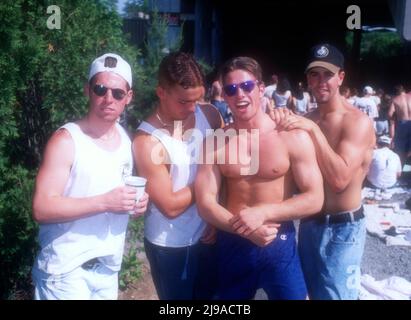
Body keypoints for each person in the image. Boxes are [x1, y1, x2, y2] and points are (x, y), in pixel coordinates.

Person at [195, 56, 324, 300]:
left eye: (247, 86)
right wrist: (245, 229)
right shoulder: (215, 142)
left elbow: (314, 198)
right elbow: (205, 202)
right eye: (232, 89)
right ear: (224, 95)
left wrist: (263, 213)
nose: (240, 95)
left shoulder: (291, 136)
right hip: (232, 240)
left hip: (278, 240)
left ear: (261, 88)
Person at [31, 53, 149, 300]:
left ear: (128, 98)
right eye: (100, 89)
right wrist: (106, 202)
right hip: (65, 272)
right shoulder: (66, 140)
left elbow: (114, 196)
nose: (108, 98)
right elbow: (42, 208)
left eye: (117, 93)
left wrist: (136, 204)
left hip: (107, 270)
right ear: (88, 90)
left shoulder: (125, 141)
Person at [272, 43, 375, 300]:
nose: (321, 81)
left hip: (344, 229)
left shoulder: (357, 122)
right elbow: (291, 176)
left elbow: (339, 180)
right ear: (307, 79)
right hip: (309, 225)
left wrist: (313, 130)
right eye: (314, 74)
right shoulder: (306, 119)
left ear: (340, 77)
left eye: (327, 74)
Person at [132, 52, 223, 300]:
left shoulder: (211, 115)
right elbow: (170, 206)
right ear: (161, 92)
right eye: (184, 101)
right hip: (170, 245)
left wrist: (215, 217)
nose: (192, 108)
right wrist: (206, 183)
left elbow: (226, 166)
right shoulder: (147, 141)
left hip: (208, 233)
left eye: (197, 99)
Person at [388, 85, 411, 165]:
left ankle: (400, 167)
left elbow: (390, 114)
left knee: (400, 149)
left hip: (402, 124)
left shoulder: (395, 100)